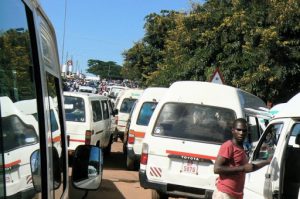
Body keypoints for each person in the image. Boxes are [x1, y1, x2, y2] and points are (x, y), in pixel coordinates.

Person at [213, 118, 271, 199]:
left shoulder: (241, 148)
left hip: (236, 195)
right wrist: (242, 168)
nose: (241, 133)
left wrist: (267, 162)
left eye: (244, 131)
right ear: (233, 130)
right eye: (238, 130)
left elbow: (249, 168)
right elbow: (217, 169)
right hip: (225, 193)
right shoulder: (228, 146)